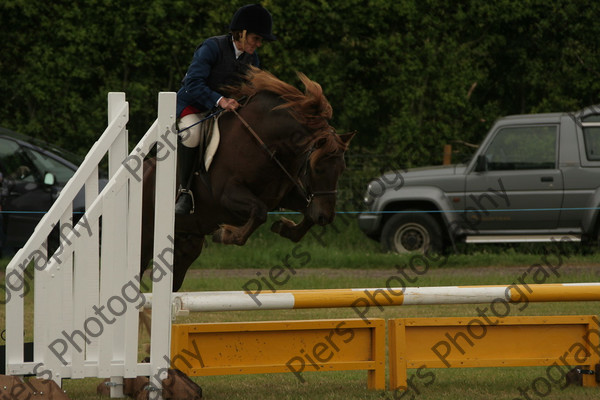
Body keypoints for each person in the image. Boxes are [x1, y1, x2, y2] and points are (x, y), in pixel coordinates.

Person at [174, 3, 277, 215]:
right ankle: (185, 192)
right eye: (256, 38)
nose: (258, 44)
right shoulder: (211, 47)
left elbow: (250, 89)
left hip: (219, 111)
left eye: (260, 40)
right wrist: (220, 100)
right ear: (242, 33)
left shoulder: (251, 58)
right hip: (193, 106)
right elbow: (193, 83)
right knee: (192, 134)